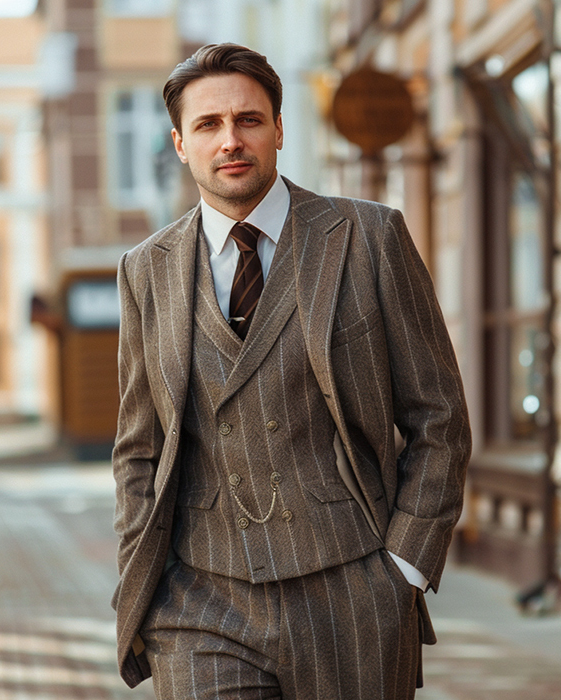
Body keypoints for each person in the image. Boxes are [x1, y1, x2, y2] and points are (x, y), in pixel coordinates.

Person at [111, 42, 471, 699]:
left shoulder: (369, 238)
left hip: (353, 592)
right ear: (181, 144)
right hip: (200, 599)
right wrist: (146, 577)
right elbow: (139, 447)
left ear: (279, 129)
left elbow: (439, 419)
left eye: (248, 120)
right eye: (208, 125)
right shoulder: (146, 270)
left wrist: (405, 567)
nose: (230, 140)